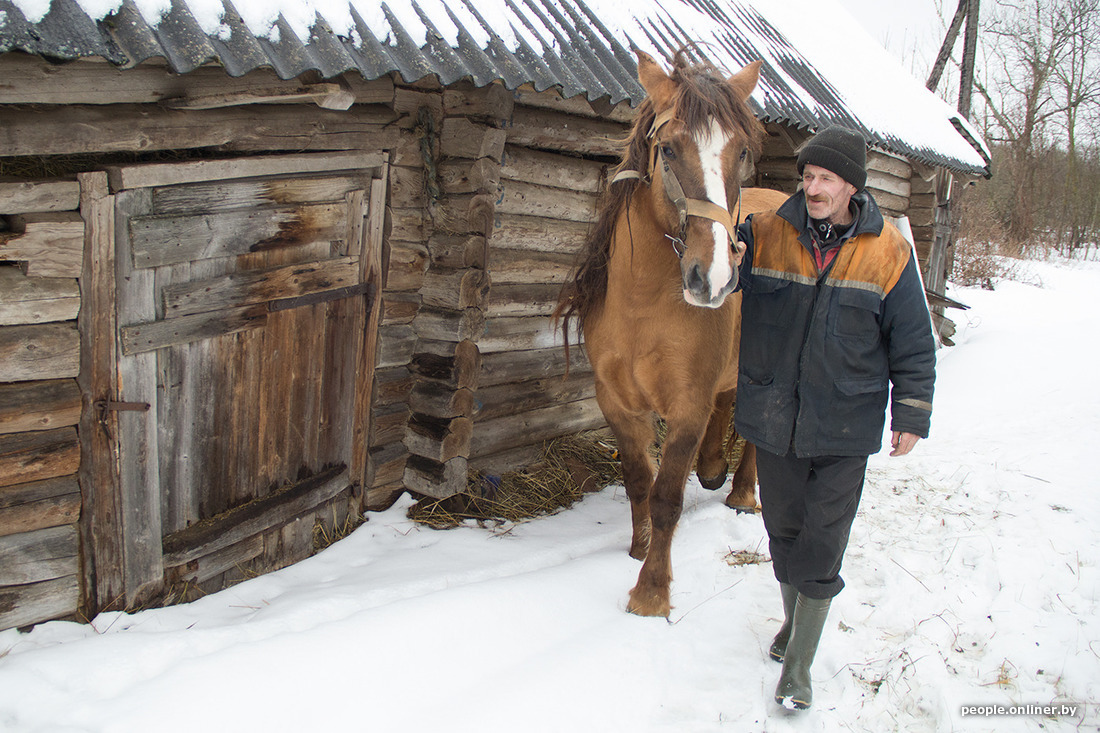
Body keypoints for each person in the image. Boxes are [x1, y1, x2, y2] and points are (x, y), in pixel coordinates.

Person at [733, 125, 936, 710]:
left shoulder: (888, 250)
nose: (813, 187)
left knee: (824, 541)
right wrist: (722, 246)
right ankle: (793, 626)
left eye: (824, 178)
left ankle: (797, 668)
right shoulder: (768, 233)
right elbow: (721, 272)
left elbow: (914, 340)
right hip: (775, 416)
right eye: (808, 177)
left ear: (851, 186)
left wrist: (912, 413)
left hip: (846, 423)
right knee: (783, 534)